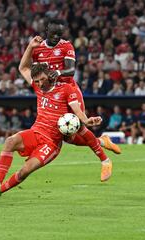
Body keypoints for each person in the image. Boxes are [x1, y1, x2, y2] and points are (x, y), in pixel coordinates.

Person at [0, 37, 102, 205]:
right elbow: (23, 67)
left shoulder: (66, 89)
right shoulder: (37, 85)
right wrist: (30, 46)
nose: (40, 83)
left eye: (42, 79)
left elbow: (77, 110)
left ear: (49, 75)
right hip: (36, 132)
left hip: (52, 143)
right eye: (38, 80)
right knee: (10, 141)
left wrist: (86, 120)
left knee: (25, 171)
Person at [31, 19, 121, 182]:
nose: (57, 37)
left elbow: (71, 70)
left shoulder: (66, 46)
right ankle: (101, 141)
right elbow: (35, 71)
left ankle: (105, 160)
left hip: (68, 89)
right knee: (67, 135)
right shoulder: (38, 49)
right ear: (47, 31)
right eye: (53, 33)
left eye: (60, 34)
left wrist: (57, 73)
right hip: (52, 93)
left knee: (79, 126)